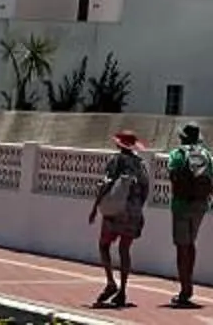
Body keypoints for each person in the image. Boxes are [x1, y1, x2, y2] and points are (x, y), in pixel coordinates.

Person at [88, 129, 152, 307]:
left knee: (104, 245)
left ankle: (110, 282)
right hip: (134, 211)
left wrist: (95, 207)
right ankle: (123, 290)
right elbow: (145, 189)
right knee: (125, 250)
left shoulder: (116, 160)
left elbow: (107, 184)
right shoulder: (141, 164)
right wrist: (137, 209)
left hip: (116, 211)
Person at [160, 123, 213, 309]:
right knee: (191, 244)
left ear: (183, 138)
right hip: (200, 204)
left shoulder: (178, 154)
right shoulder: (206, 155)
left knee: (181, 247)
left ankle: (185, 289)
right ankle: (188, 285)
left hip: (181, 204)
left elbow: (172, 173)